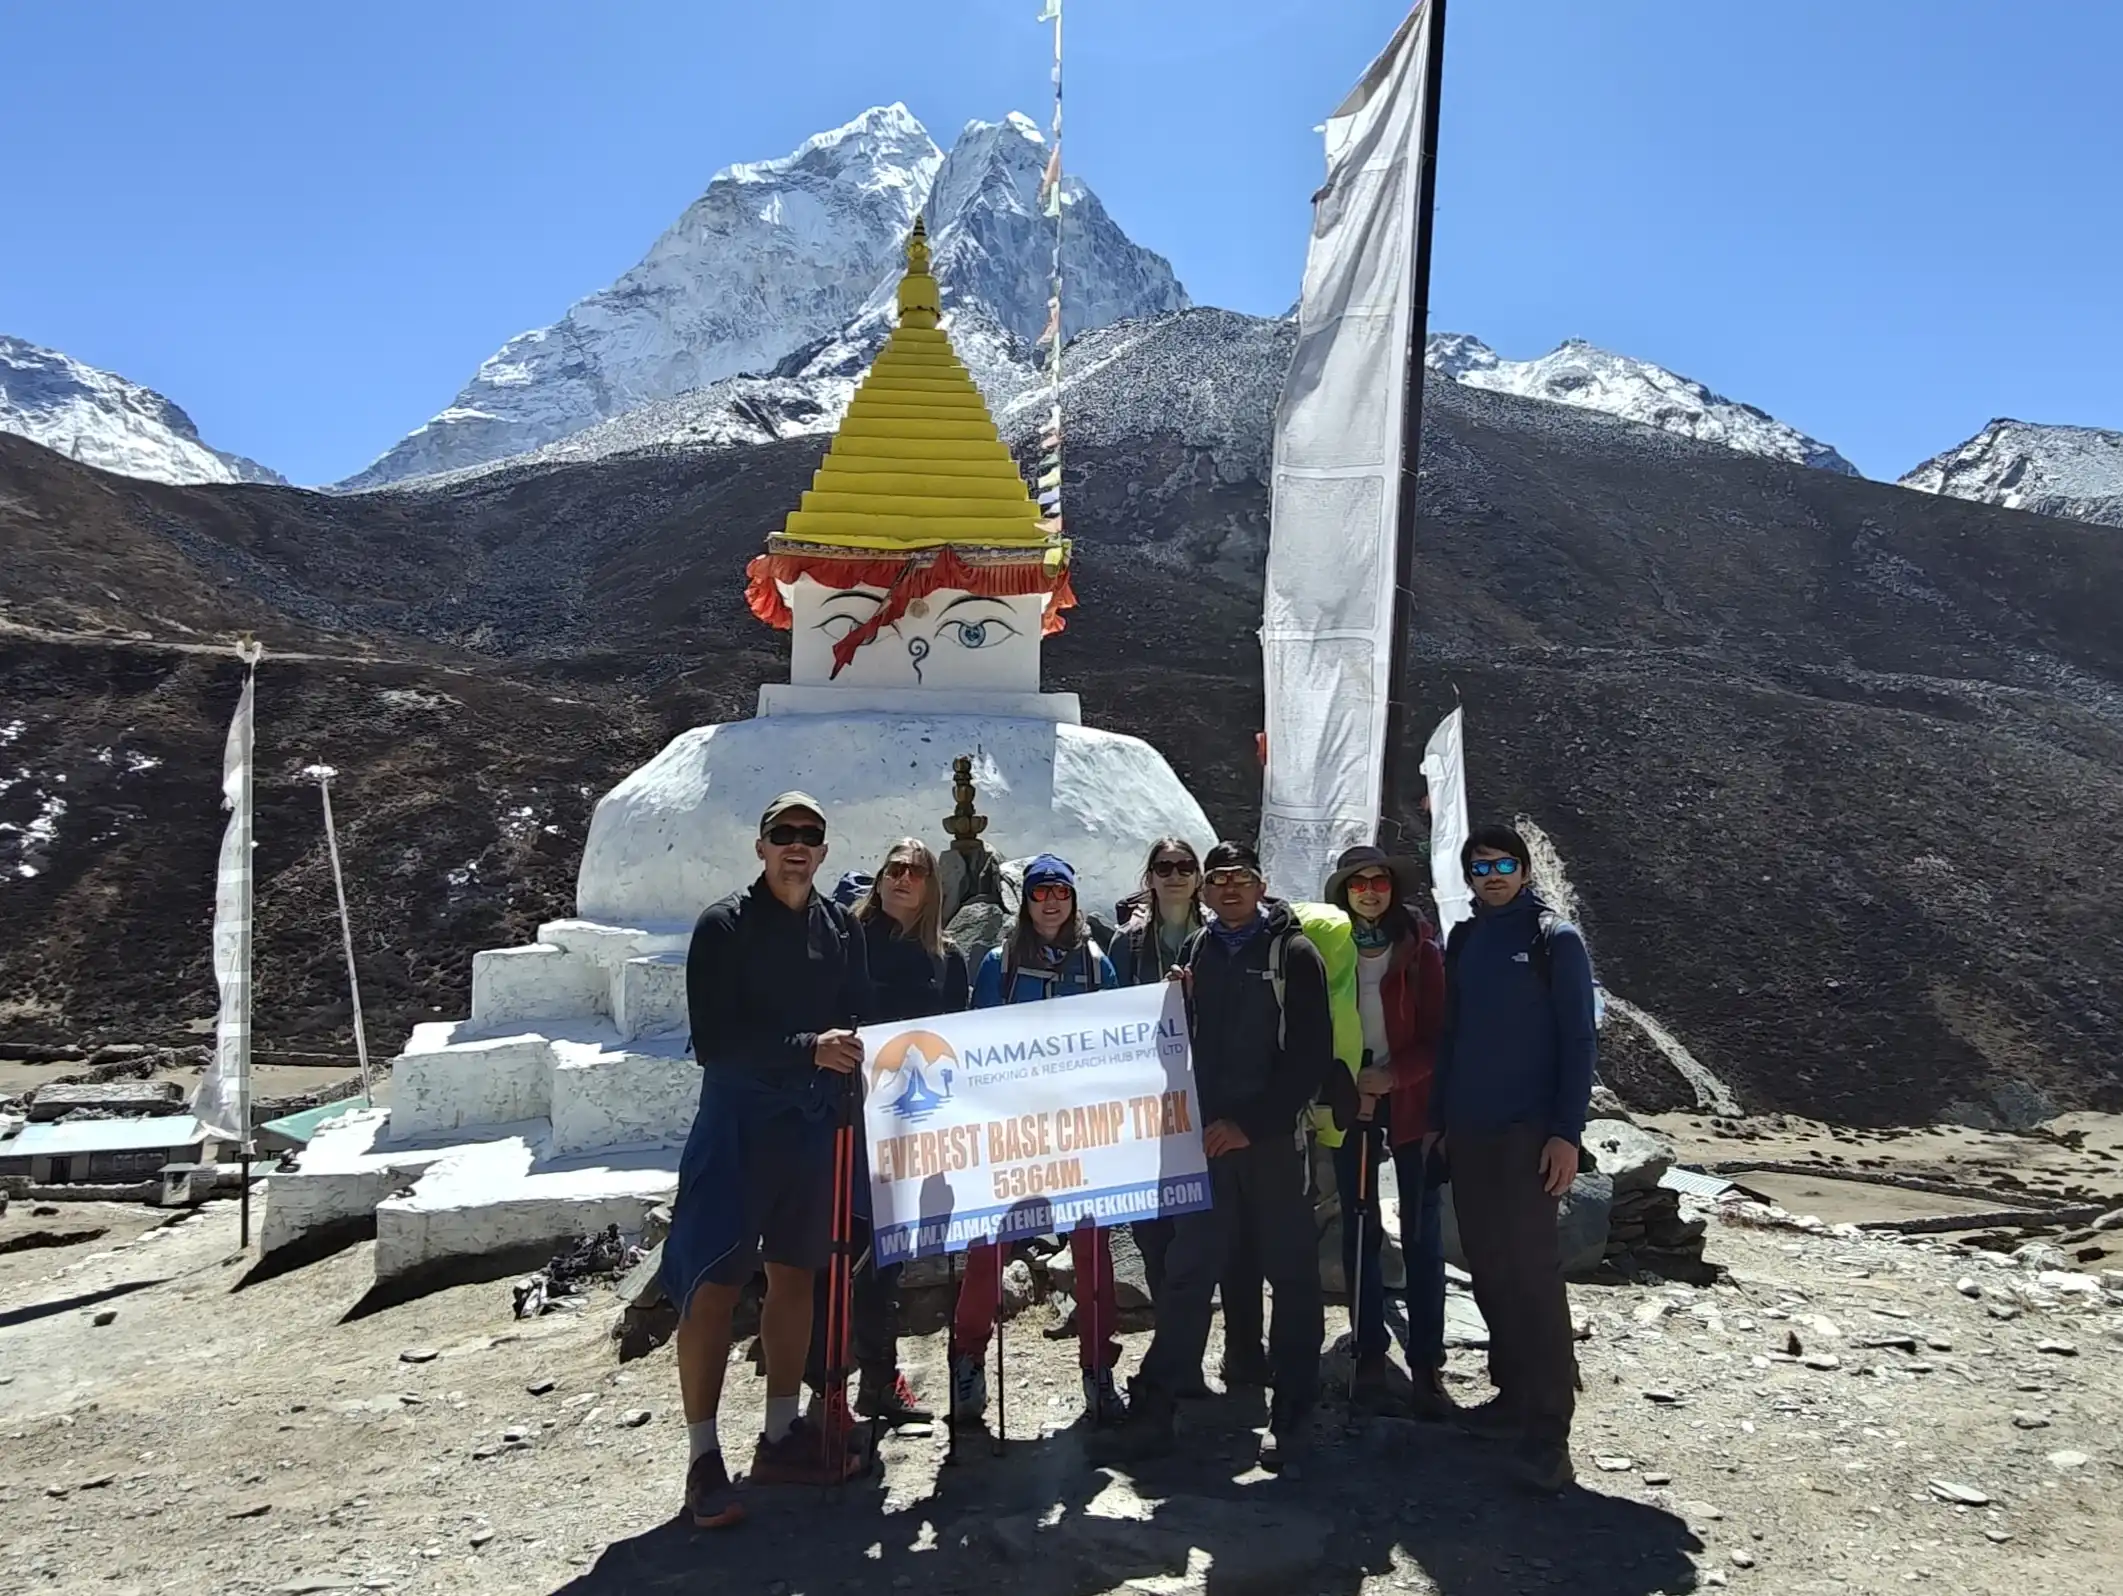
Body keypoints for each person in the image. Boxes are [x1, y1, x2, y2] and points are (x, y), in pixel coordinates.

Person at [661, 792, 871, 1530]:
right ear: (760, 847)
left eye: (810, 836)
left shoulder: (840, 927)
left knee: (797, 1274)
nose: (797, 846)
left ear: (822, 850)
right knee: (715, 1281)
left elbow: (857, 1012)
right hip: (738, 1123)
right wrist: (807, 1049)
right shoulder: (724, 926)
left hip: (810, 1125)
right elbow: (716, 1040)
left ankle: (782, 1430)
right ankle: (702, 1456)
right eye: (783, 834)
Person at [1096, 840, 1328, 1470]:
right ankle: (1158, 1409)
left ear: (1260, 885)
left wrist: (1250, 1123)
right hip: (1205, 1143)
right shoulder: (1200, 951)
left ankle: (1295, 1414)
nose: (1229, 890)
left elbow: (1311, 1056)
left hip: (1273, 1145)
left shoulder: (1292, 953)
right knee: (1188, 1272)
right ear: (1205, 889)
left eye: (1241, 879)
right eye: (1219, 880)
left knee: (1291, 1276)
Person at [1428, 823, 1596, 1494]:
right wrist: (1438, 1118)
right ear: (1467, 878)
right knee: (1487, 1263)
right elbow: (1452, 1034)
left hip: (1530, 1133)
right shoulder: (1466, 939)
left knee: (1531, 1270)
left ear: (1524, 871)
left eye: (1503, 864)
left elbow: (1577, 1040)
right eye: (1479, 866)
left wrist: (1567, 1133)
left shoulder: (1553, 941)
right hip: (1468, 1128)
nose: (1492, 875)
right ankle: (1510, 1396)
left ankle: (1548, 1425)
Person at [949, 854, 1126, 1429]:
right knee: (987, 1253)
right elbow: (977, 1045)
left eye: (1060, 892)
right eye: (1040, 892)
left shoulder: (1097, 965)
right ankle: (968, 1360)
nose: (1050, 902)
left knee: (1092, 1253)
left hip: (1077, 1132)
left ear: (1074, 899)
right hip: (1013, 1133)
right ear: (1024, 901)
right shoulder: (999, 965)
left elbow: (1116, 1044)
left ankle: (1098, 1365)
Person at [805, 839, 968, 1433]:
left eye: (915, 872)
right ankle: (824, 1388)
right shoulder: (846, 942)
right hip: (845, 1115)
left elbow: (954, 1039)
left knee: (883, 1260)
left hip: (906, 1120)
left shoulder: (946, 960)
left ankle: (879, 1379)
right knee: (833, 1251)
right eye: (894, 869)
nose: (902, 879)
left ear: (931, 885)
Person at [1322, 844, 1449, 1417]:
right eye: (1358, 883)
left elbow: (1440, 1036)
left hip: (1413, 1103)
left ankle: (1426, 1364)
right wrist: (1353, 1086)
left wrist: (1390, 1077)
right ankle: (1369, 1349)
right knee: (1359, 1226)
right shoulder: (1329, 947)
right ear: (1343, 892)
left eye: (1379, 881)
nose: (1370, 890)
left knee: (1422, 1234)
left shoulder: (1419, 948)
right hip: (1353, 1102)